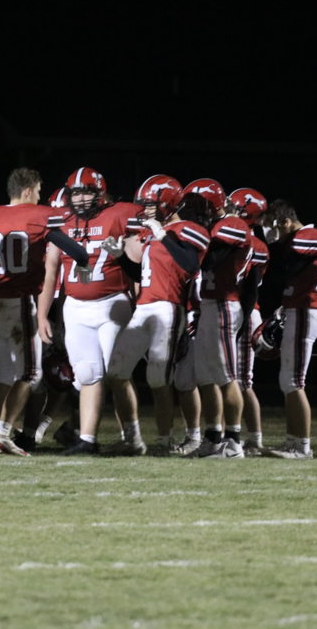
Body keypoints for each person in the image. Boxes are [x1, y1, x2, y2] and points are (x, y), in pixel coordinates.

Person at [0, 168, 89, 456]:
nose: (40, 197)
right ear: (26, 191)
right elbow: (79, 254)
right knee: (31, 374)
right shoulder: (39, 216)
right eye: (37, 191)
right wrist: (83, 264)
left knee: (6, 375)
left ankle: (0, 431)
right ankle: (2, 433)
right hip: (20, 301)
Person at [103, 175, 211, 456]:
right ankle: (133, 438)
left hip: (169, 309)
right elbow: (143, 274)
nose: (146, 209)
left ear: (169, 203)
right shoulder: (150, 232)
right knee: (116, 369)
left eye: (151, 204)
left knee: (157, 378)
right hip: (144, 307)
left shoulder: (188, 229)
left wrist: (165, 234)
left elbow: (189, 264)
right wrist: (120, 258)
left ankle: (164, 442)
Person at [36, 167, 141, 455]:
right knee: (86, 372)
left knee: (118, 372)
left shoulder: (120, 214)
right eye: (76, 193)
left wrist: (140, 304)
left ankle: (132, 438)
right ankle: (87, 439)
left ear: (101, 194)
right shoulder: (61, 220)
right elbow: (52, 269)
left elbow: (138, 268)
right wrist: (42, 314)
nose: (81, 199)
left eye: (87, 192)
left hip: (113, 303)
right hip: (76, 307)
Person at [183, 179, 257, 460]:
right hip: (209, 304)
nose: (191, 211)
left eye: (195, 205)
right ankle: (213, 439)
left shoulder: (233, 225)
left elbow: (208, 260)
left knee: (227, 377)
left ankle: (234, 441)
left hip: (226, 305)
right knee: (205, 376)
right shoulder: (214, 227)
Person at [262, 199, 317, 459]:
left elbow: (286, 268)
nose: (270, 231)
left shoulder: (309, 236)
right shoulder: (303, 237)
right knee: (287, 380)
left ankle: (302, 447)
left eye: (274, 226)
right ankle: (292, 441)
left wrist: (273, 245)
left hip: (307, 308)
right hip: (300, 307)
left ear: (287, 222)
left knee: (295, 381)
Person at [226, 188, 269, 455]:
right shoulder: (250, 241)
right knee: (231, 378)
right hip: (236, 309)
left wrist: (241, 319)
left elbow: (250, 288)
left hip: (243, 309)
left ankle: (254, 438)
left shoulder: (252, 243)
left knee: (243, 380)